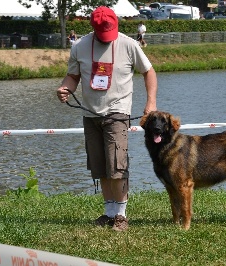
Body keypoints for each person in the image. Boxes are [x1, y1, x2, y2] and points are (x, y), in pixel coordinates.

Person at [56, 6, 158, 232]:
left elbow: (149, 72)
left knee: (117, 164)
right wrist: (65, 88)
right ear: (93, 28)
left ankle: (121, 216)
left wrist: (150, 103)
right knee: (100, 165)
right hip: (90, 113)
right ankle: (109, 212)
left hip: (117, 112)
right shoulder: (80, 46)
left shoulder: (129, 44)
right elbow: (72, 77)